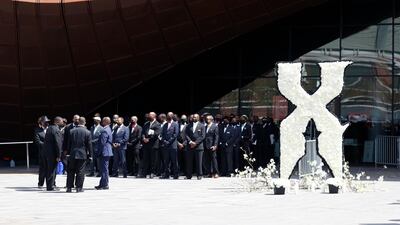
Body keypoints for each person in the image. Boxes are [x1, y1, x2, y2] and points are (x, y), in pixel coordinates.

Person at [65, 117, 92, 193]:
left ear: (78, 122)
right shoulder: (87, 132)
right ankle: (78, 188)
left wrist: (68, 153)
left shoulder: (71, 131)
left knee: (70, 171)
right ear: (84, 122)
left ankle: (69, 187)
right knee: (80, 171)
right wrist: (90, 155)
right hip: (82, 154)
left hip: (72, 154)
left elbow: (68, 144)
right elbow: (89, 145)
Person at [43, 116, 63, 191]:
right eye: (61, 121)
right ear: (57, 122)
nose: (62, 123)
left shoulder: (49, 128)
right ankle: (50, 186)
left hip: (47, 153)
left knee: (49, 169)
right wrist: (59, 155)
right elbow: (58, 143)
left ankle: (50, 185)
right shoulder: (56, 130)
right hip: (53, 154)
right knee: (52, 170)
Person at [185, 114, 205, 180]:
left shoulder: (202, 125)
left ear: (198, 118)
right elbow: (186, 134)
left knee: (199, 162)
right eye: (193, 117)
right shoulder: (188, 125)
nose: (194, 118)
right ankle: (189, 175)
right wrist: (190, 142)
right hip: (190, 146)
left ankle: (199, 175)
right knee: (189, 161)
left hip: (199, 146)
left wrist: (195, 143)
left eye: (195, 117)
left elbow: (202, 136)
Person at [140, 112, 161, 178]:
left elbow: (156, 134)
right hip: (146, 145)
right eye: (148, 115)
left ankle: (153, 172)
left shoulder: (158, 124)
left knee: (153, 160)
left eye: (150, 115)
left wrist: (148, 139)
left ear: (154, 116)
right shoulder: (146, 124)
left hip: (153, 144)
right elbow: (143, 132)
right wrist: (143, 138)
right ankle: (144, 173)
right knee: (145, 159)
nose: (148, 116)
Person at [160, 112, 179, 179]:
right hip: (166, 145)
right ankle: (166, 174)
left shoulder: (175, 124)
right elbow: (161, 134)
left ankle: (176, 174)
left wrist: (169, 141)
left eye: (170, 115)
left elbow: (175, 134)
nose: (168, 116)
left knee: (174, 161)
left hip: (173, 145)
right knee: (166, 161)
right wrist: (164, 141)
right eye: (167, 115)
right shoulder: (165, 125)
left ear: (172, 116)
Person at [95, 117, 113, 190]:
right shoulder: (108, 129)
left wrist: (98, 152)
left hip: (104, 152)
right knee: (104, 169)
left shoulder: (104, 130)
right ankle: (103, 183)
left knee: (104, 169)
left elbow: (102, 143)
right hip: (107, 151)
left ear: (106, 122)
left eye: (103, 121)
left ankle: (104, 184)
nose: (102, 122)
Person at [33, 116, 50, 188]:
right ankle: (40, 183)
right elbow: (37, 141)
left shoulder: (50, 129)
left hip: (50, 153)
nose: (47, 123)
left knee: (50, 169)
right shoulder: (37, 131)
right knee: (42, 169)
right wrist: (47, 145)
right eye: (45, 122)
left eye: (48, 122)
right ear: (42, 123)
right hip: (42, 153)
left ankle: (51, 183)